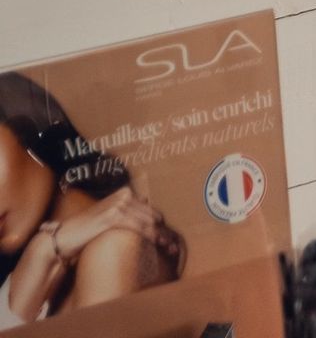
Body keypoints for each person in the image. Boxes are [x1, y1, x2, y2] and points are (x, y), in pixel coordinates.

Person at [0, 73, 183, 325]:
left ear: (27, 131)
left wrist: (46, 249)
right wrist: (43, 251)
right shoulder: (30, 279)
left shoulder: (114, 248)